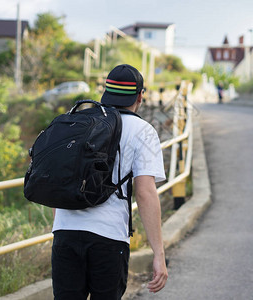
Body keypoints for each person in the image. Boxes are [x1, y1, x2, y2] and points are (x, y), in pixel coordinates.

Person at [51, 64, 168, 299]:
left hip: (65, 234)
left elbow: (61, 178)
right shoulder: (143, 131)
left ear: (106, 92)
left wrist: (60, 231)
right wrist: (159, 253)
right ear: (140, 96)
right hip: (108, 238)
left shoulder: (77, 121)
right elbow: (145, 193)